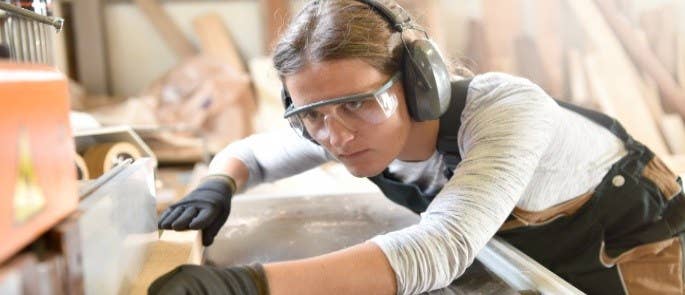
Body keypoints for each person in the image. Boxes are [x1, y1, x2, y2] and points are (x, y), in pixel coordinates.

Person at [151, 0, 685, 294]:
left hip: (636, 247)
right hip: (532, 253)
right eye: (311, 114)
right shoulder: (346, 125)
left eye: (356, 104)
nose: (334, 137)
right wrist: (217, 185)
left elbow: (440, 250)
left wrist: (244, 287)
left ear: (417, 82)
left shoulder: (505, 111)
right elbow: (254, 154)